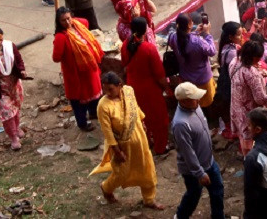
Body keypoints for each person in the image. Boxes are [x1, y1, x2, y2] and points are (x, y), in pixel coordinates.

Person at [91, 72, 164, 209]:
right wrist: (117, 152)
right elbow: (107, 132)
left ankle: (149, 199)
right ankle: (106, 188)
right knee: (122, 174)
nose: (107, 93)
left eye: (110, 89)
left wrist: (142, 121)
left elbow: (135, 108)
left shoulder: (128, 92)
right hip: (122, 146)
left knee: (147, 168)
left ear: (120, 86)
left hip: (139, 137)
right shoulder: (103, 106)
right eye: (105, 89)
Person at [171, 82, 224, 219]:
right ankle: (180, 216)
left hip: (209, 161)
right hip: (194, 170)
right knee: (193, 195)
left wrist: (208, 133)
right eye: (194, 98)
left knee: (217, 190)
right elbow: (188, 153)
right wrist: (200, 173)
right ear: (184, 101)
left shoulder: (195, 107)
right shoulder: (181, 124)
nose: (198, 100)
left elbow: (199, 129)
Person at [119, 17, 171, 155]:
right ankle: (161, 147)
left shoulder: (125, 45)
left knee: (141, 118)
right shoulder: (149, 49)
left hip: (132, 87)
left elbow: (124, 64)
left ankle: (147, 142)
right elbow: (159, 74)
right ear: (145, 30)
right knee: (159, 119)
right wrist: (166, 88)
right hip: (149, 90)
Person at [230, 39, 267, 155]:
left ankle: (246, 155)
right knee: (251, 142)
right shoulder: (252, 74)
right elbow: (260, 99)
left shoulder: (234, 62)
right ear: (255, 57)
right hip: (249, 112)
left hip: (236, 107)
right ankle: (252, 159)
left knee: (243, 136)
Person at [51, 6, 103, 132]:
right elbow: (56, 58)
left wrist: (73, 20)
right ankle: (82, 123)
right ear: (58, 22)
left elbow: (85, 21)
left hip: (90, 70)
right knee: (78, 100)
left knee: (94, 94)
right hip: (75, 74)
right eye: (63, 20)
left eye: (69, 18)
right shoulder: (60, 37)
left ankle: (93, 113)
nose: (67, 22)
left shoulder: (78, 25)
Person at [169, 13, 217, 107]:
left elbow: (184, 39)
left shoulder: (173, 37)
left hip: (186, 79)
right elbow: (212, 51)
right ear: (189, 25)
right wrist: (207, 34)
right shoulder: (198, 42)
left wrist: (194, 32)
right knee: (207, 104)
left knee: (192, 104)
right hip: (202, 80)